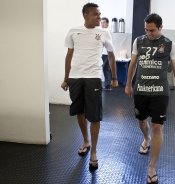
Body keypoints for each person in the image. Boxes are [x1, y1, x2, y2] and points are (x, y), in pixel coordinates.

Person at [125, 13, 175, 184]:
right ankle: (146, 139)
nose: (149, 33)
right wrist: (128, 84)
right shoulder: (138, 41)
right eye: (146, 30)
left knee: (158, 127)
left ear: (160, 27)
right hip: (141, 90)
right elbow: (133, 63)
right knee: (141, 121)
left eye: (152, 30)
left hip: (160, 92)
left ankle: (152, 168)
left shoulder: (170, 44)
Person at [61, 3, 118, 171]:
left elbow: (112, 56)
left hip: (94, 77)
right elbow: (68, 56)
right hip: (75, 78)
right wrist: (66, 79)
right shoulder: (73, 31)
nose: (99, 18)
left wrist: (114, 78)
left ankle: (94, 151)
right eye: (96, 15)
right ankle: (85, 140)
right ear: (85, 15)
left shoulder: (104, 32)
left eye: (100, 15)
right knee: (79, 112)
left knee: (94, 116)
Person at [100, 17, 112, 90]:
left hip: (105, 53)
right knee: (105, 69)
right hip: (106, 53)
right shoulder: (104, 31)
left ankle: (107, 85)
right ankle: (107, 85)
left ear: (107, 23)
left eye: (104, 22)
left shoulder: (107, 31)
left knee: (103, 68)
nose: (102, 24)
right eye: (101, 22)